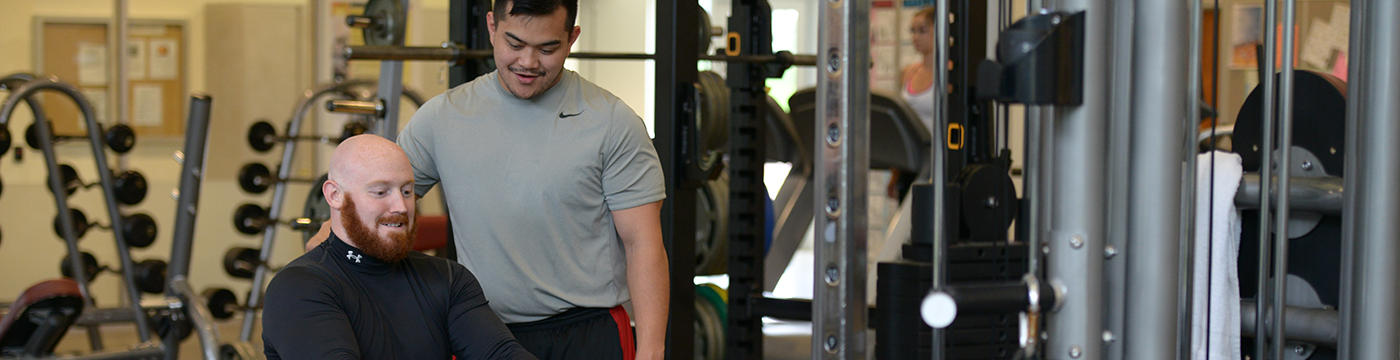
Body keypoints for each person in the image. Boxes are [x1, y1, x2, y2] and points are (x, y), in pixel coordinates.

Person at [322, 0, 670, 358]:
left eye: (547, 48)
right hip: (480, 330)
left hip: (587, 333)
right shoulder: (443, 119)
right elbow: (368, 209)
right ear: (491, 27)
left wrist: (652, 350)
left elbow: (642, 244)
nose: (528, 62)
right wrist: (310, 273)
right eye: (514, 44)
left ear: (571, 39)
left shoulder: (612, 123)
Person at [263, 135, 536, 360]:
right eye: (380, 192)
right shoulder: (299, 287)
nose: (401, 207)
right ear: (335, 195)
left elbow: (501, 354)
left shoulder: (447, 278)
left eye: (407, 191)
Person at [901, 7, 938, 130]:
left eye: (922, 31)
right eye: (913, 31)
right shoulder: (909, 72)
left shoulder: (948, 72)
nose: (915, 37)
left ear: (939, 31)